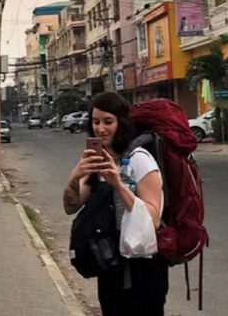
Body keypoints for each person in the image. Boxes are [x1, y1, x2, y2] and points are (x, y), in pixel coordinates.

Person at [63, 92, 168, 315]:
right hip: (110, 267)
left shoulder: (140, 159)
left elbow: (152, 219)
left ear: (121, 122)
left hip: (142, 272)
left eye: (108, 122)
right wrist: (76, 175)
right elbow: (70, 206)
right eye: (96, 122)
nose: (101, 129)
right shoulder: (97, 163)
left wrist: (118, 185)